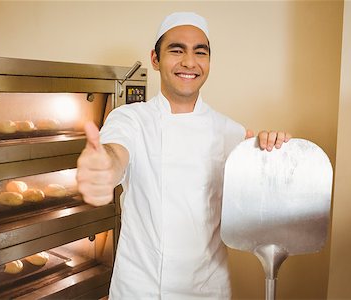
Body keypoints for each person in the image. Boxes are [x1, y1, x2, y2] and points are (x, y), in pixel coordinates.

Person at [76, 12, 291, 299]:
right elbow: (116, 154)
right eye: (176, 50)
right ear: (155, 58)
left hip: (206, 289)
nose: (189, 62)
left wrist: (271, 160)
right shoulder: (130, 118)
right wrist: (104, 167)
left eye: (199, 52)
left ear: (209, 62)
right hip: (139, 287)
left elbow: (258, 213)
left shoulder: (232, 132)